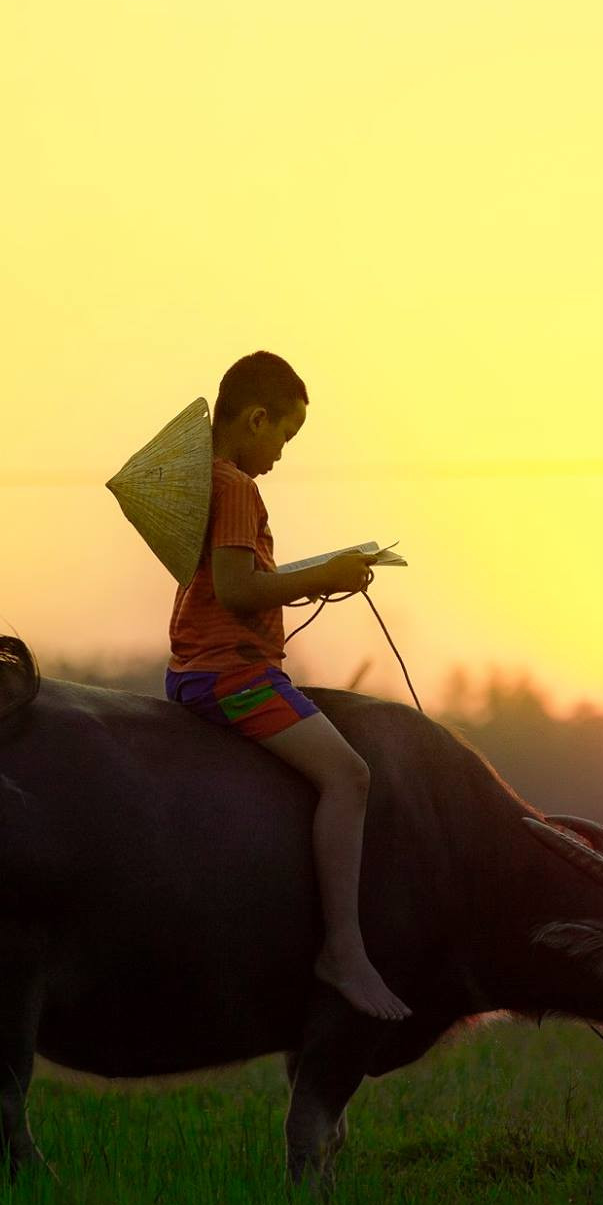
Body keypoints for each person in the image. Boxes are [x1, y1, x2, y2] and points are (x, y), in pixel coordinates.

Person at [163, 351, 412, 1021]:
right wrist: (323, 576)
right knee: (351, 775)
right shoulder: (238, 487)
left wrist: (319, 571)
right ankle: (343, 948)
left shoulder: (207, 482)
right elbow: (241, 588)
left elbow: (229, 582)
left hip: (194, 665)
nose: (280, 451)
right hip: (231, 675)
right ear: (255, 418)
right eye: (284, 435)